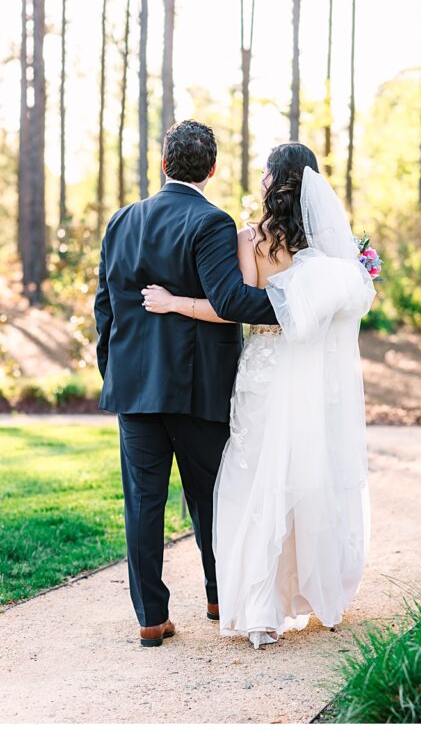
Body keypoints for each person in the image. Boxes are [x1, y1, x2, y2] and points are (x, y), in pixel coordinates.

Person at [141, 142, 375, 648]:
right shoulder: (333, 243)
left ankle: (260, 608)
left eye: (266, 173)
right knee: (311, 472)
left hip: (267, 368)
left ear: (277, 181)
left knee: (255, 479)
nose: (262, 179)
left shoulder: (254, 237)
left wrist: (172, 301)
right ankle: (323, 597)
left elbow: (234, 306)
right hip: (310, 372)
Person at [95, 120, 279, 647]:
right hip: (198, 389)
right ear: (214, 168)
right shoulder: (212, 222)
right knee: (211, 497)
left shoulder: (122, 221)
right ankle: (219, 596)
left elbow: (104, 306)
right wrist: (302, 300)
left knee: (142, 503)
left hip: (135, 387)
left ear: (163, 163)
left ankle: (151, 617)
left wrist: (114, 369)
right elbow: (230, 300)